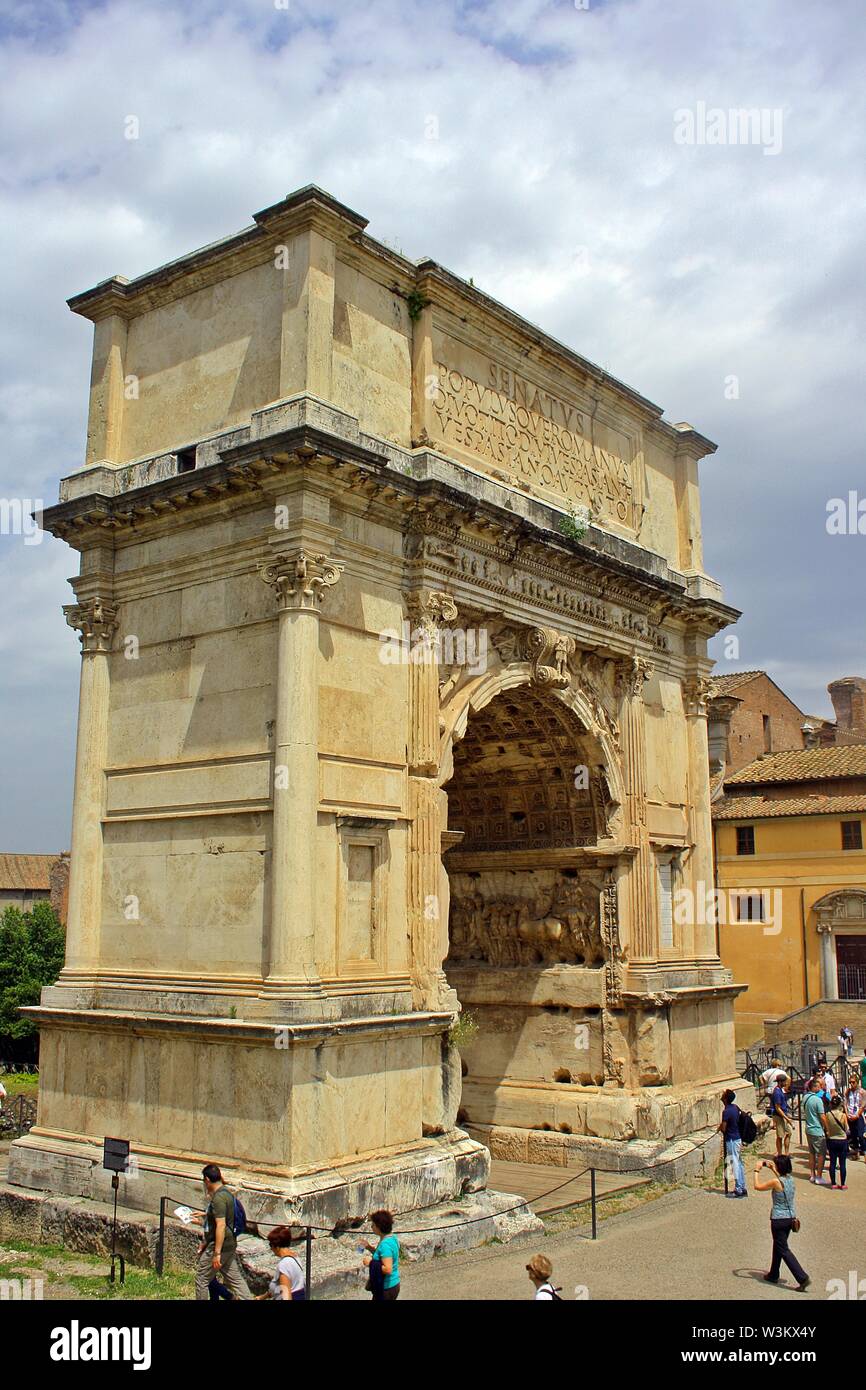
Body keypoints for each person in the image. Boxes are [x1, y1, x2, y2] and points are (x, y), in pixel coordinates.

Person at [192, 1164, 252, 1301]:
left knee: (201, 1278)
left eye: (203, 1180)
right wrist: (205, 1215)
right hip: (230, 1243)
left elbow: (220, 1225)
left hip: (220, 1245)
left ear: (207, 1179)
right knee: (235, 1279)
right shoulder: (227, 1193)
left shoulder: (218, 1198)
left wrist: (216, 1253)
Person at [754, 1155, 809, 1291]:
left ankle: (802, 1277)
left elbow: (757, 1186)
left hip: (778, 1219)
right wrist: (773, 1168)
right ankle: (773, 1274)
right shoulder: (790, 1180)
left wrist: (756, 1171)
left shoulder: (775, 1182)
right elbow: (781, 1177)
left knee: (783, 1249)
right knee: (778, 1245)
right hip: (790, 1218)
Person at [256, 1226, 306, 1301]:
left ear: (277, 1246)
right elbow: (279, 1287)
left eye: (271, 1245)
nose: (271, 1248)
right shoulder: (296, 1258)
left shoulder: (284, 1264)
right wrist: (263, 1297)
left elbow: (286, 1296)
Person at [361, 1210, 400, 1301]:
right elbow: (382, 1256)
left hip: (386, 1288)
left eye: (373, 1225)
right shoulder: (392, 1238)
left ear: (379, 1227)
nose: (371, 1227)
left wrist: (370, 1263)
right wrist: (369, 1247)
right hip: (393, 1285)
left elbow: (388, 1269)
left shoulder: (385, 1245)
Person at [718, 1088, 747, 1197]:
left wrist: (720, 1128)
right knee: (739, 1163)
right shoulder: (735, 1107)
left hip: (731, 1139)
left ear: (725, 1099)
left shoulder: (726, 1111)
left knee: (735, 1163)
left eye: (723, 1094)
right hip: (737, 1138)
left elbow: (724, 1128)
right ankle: (742, 1186)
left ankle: (738, 1189)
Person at [803, 1077, 830, 1184]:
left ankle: (812, 1175)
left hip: (808, 1128)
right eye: (818, 1086)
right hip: (817, 1130)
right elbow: (822, 1117)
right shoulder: (817, 1100)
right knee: (821, 1154)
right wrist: (827, 1129)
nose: (820, 1088)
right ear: (814, 1087)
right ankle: (819, 1176)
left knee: (811, 1153)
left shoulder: (805, 1097)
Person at [825, 1095, 849, 1189]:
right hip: (842, 1140)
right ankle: (843, 1184)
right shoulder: (843, 1115)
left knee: (832, 1162)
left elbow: (827, 1127)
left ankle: (833, 1183)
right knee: (842, 1163)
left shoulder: (828, 1114)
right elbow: (846, 1128)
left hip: (832, 1139)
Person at [769, 1074, 793, 1156]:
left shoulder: (780, 1090)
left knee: (788, 1133)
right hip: (779, 1116)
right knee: (780, 1136)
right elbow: (778, 1108)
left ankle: (786, 1153)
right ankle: (779, 1154)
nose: (786, 1083)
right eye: (785, 1082)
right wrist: (786, 1118)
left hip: (783, 1115)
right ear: (780, 1082)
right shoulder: (777, 1093)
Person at [844, 1076, 865, 1159]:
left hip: (858, 1116)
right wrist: (847, 1113)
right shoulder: (848, 1092)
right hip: (850, 1115)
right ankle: (856, 1152)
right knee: (853, 1134)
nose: (851, 1084)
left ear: (857, 1082)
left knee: (860, 1135)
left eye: (853, 1082)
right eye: (850, 1082)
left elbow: (863, 1105)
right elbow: (845, 1103)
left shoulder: (862, 1092)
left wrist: (857, 1115)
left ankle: (864, 1150)